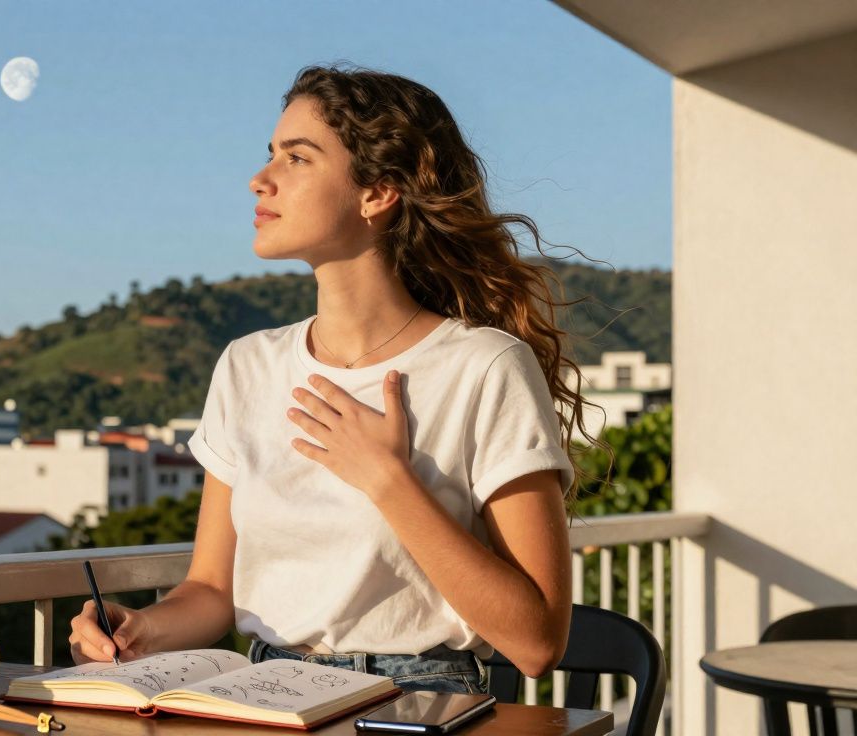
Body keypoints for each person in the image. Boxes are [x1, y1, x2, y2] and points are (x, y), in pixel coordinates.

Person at [68, 64, 601, 695]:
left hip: (418, 700)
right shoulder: (248, 365)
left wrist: (388, 479)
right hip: (265, 692)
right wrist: (140, 630)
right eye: (271, 154)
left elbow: (538, 642)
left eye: (297, 158)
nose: (259, 179)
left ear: (377, 192)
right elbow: (212, 589)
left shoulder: (483, 367)